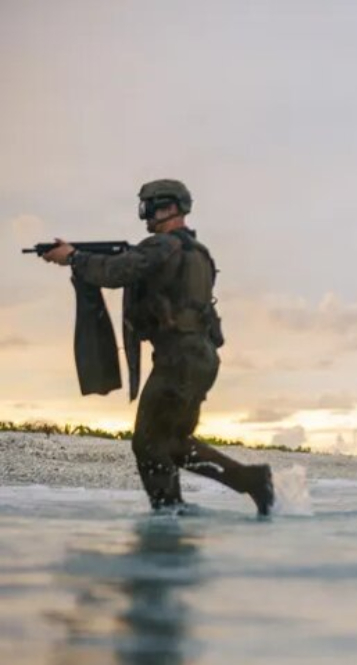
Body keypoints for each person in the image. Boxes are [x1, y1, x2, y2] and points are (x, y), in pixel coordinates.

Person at [42, 179, 274, 516]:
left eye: (148, 208)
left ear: (168, 207)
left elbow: (116, 271)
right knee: (175, 444)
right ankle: (250, 481)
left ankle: (168, 512)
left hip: (180, 359)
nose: (146, 216)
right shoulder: (198, 252)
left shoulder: (162, 246)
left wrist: (75, 258)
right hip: (199, 357)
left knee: (149, 444)